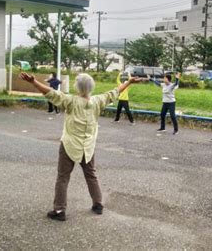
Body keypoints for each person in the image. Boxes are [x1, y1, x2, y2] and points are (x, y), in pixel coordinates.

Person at [20, 72, 142, 221]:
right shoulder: (98, 101)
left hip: (70, 144)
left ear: (77, 87)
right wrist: (128, 82)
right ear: (91, 87)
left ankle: (59, 211)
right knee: (91, 174)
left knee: (63, 177)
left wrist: (34, 82)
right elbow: (115, 92)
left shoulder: (70, 101)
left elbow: (51, 93)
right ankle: (98, 204)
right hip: (88, 146)